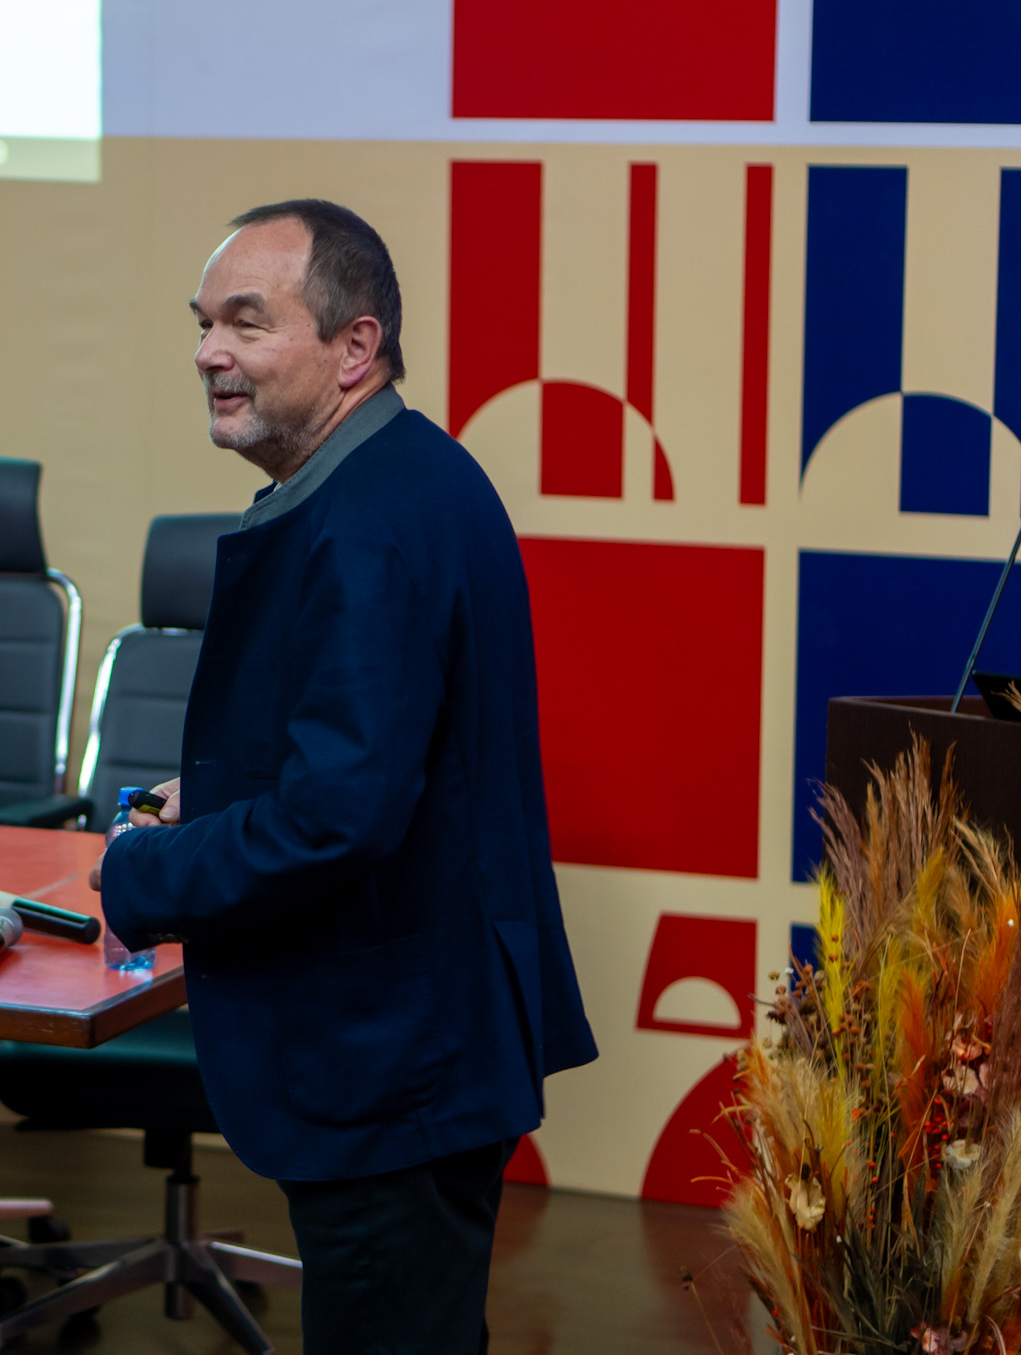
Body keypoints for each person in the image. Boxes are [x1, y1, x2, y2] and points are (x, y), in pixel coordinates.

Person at [93, 199, 598, 1354]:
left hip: (391, 1065)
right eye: (202, 323)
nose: (207, 352)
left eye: (246, 322)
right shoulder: (397, 478)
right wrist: (217, 800)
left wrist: (142, 872)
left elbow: (336, 817)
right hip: (413, 1049)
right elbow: (372, 754)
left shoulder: (366, 525)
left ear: (353, 347)